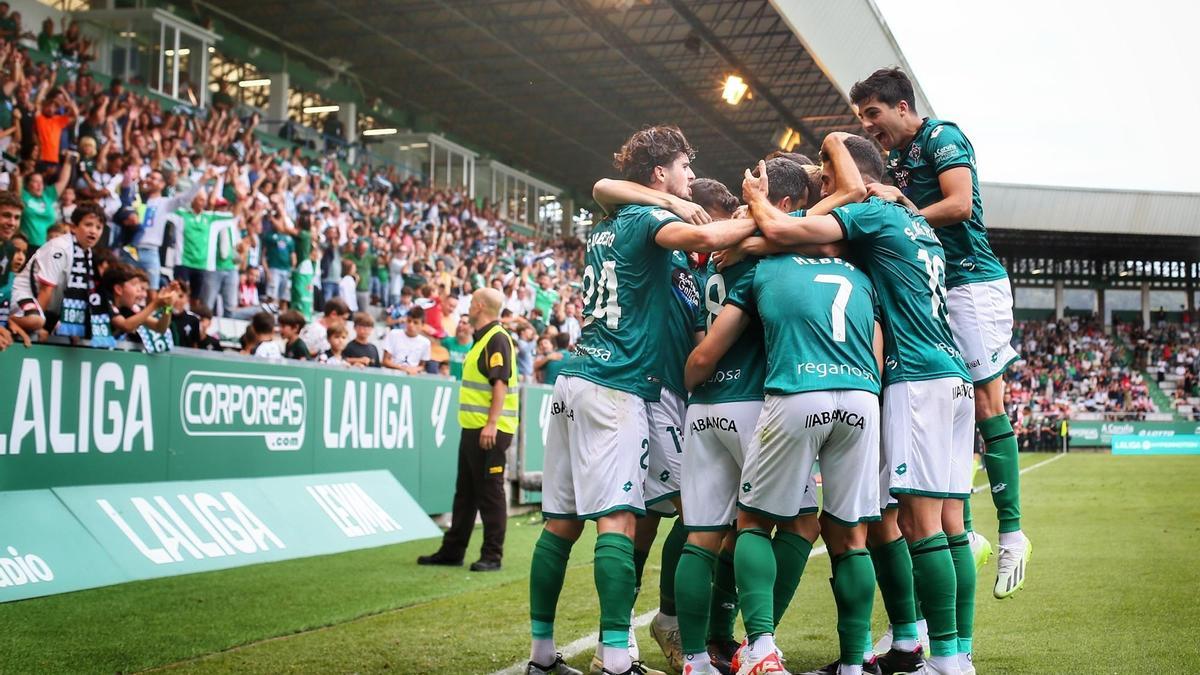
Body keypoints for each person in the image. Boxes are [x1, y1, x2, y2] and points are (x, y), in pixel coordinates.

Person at [525, 125, 755, 675]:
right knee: (620, 523)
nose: (691, 176)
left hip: (575, 381)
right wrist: (770, 217)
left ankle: (542, 657)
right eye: (684, 166)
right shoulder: (650, 219)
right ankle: (617, 656)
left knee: (561, 524)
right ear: (660, 173)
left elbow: (609, 191)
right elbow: (697, 238)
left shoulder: (609, 227)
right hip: (620, 389)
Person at [743, 136, 975, 675]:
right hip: (950, 375)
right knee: (920, 521)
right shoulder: (920, 229)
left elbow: (780, 233)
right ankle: (931, 645)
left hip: (913, 378)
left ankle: (943, 659)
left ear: (854, 177)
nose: (827, 192)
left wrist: (759, 205)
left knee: (921, 526)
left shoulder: (870, 216)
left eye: (825, 178)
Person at [851, 67, 1028, 599]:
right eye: (862, 119)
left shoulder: (942, 136)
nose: (870, 127)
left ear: (902, 107)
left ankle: (1013, 533)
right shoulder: (898, 159)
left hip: (973, 283)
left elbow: (958, 204)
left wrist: (903, 212)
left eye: (874, 115)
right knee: (950, 398)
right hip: (935, 287)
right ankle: (966, 529)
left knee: (984, 401)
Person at [686, 239, 883, 675]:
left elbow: (709, 348)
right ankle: (855, 663)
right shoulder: (860, 274)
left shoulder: (762, 267)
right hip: (863, 397)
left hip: (794, 391)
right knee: (851, 539)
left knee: (750, 522)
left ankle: (757, 646)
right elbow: (877, 353)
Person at [418, 287, 518, 572]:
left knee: (490, 493)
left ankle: (492, 555)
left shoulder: (496, 339)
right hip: (475, 428)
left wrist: (492, 423)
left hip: (489, 431)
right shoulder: (484, 339)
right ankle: (453, 550)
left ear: (479, 306)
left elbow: (500, 383)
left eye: (471, 303)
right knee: (466, 492)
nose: (468, 308)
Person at [9, 201, 107, 338]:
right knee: (35, 321)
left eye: (99, 227)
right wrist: (40, 327)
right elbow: (45, 290)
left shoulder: (87, 253)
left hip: (52, 308)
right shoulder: (60, 248)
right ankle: (5, 321)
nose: (93, 231)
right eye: (88, 225)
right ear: (73, 227)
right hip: (24, 295)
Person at [382, 305, 431, 374]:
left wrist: (414, 369)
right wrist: (403, 369)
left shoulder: (426, 343)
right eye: (409, 321)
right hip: (392, 375)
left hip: (412, 378)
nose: (411, 325)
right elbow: (385, 361)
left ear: (422, 325)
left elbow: (422, 365)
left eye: (415, 322)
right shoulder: (393, 334)